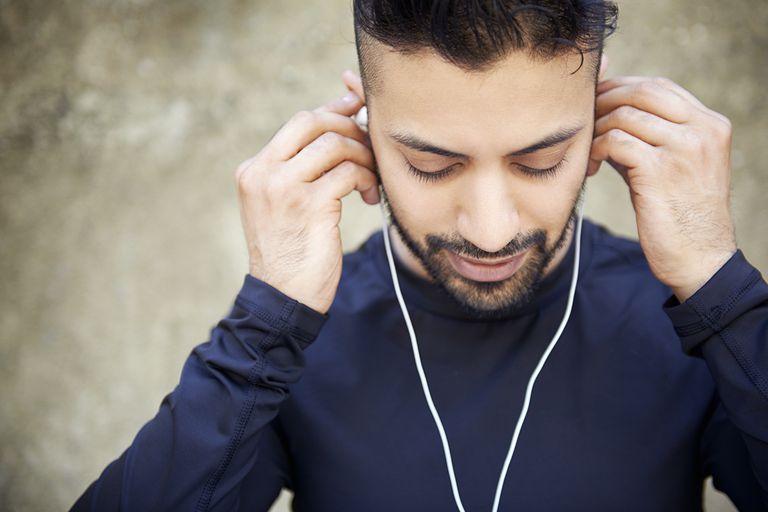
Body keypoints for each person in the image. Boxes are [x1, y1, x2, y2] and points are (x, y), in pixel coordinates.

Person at [71, 1, 768, 510]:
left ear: (599, 115)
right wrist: (265, 320)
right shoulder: (293, 348)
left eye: (542, 160)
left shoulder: (690, 320)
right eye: (433, 165)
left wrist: (722, 288)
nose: (491, 232)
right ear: (364, 122)